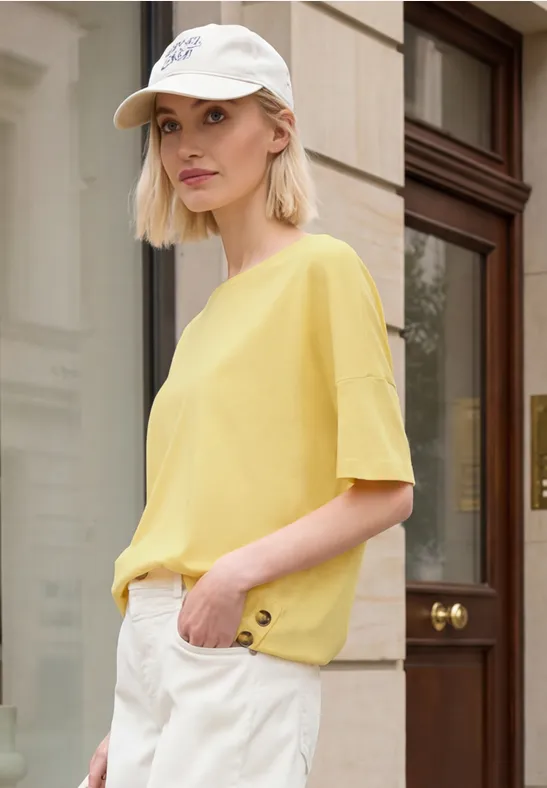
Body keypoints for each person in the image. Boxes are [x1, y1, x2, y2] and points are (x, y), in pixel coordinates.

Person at [87, 22, 414, 788]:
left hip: (238, 640)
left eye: (215, 116)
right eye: (170, 126)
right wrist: (135, 716)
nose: (185, 148)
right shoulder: (205, 321)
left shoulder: (323, 272)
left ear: (277, 130)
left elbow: (384, 490)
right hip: (156, 644)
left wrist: (233, 578)